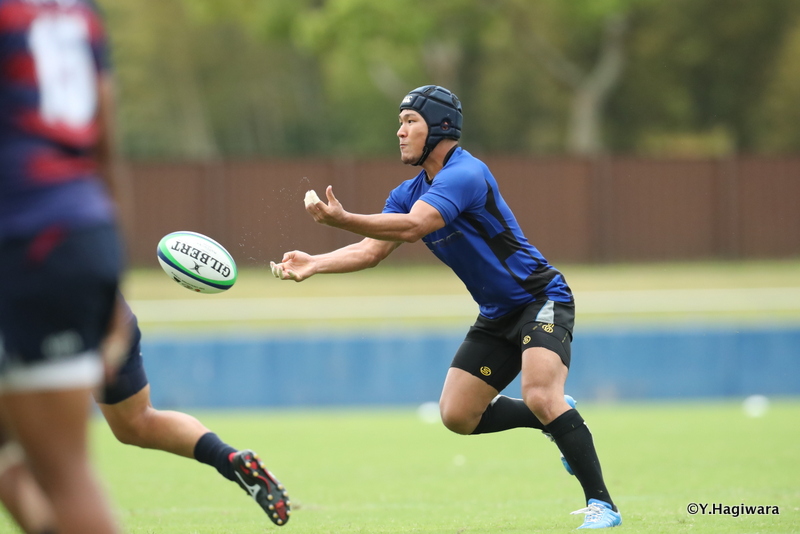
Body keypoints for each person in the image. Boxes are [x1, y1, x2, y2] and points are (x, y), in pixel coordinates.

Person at [270, 85, 622, 529]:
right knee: (457, 415)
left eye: (410, 122)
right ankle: (554, 419)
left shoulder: (466, 173)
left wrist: (343, 219)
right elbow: (371, 251)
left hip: (540, 297)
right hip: (496, 314)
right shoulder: (408, 192)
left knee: (539, 393)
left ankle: (602, 505)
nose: (400, 132)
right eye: (400, 123)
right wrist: (315, 263)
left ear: (440, 128)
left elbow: (415, 227)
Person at [0, 0, 126, 532]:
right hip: (79, 233)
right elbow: (105, 142)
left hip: (25, 239)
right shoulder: (78, 12)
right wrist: (115, 273)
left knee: (63, 472)